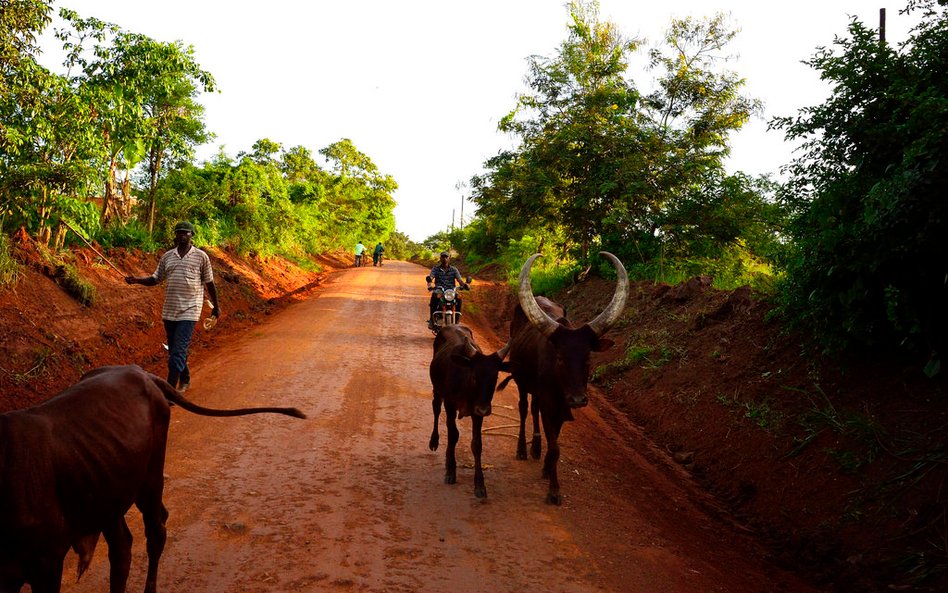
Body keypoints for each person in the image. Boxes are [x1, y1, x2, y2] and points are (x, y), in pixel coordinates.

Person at [125, 221, 219, 392]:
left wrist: (216, 307)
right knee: (175, 350)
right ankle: (185, 378)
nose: (182, 235)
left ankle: (169, 392)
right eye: (179, 232)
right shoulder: (167, 256)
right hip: (170, 310)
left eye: (186, 232)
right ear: (175, 235)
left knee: (178, 350)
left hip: (190, 309)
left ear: (192, 235)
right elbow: (155, 279)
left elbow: (209, 283)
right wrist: (136, 280)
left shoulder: (201, 257)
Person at [426, 251, 468, 329]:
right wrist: (429, 281)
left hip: (451, 290)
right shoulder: (436, 269)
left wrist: (465, 285)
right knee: (434, 296)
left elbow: (459, 280)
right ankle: (432, 319)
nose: (444, 258)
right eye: (443, 257)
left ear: (449, 258)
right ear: (440, 258)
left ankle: (457, 319)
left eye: (446, 257)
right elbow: (431, 277)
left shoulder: (454, 269)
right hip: (439, 289)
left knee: (459, 298)